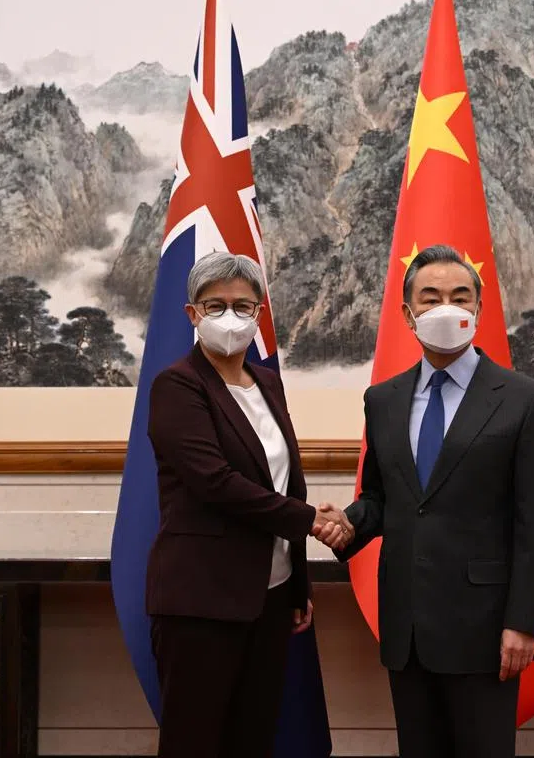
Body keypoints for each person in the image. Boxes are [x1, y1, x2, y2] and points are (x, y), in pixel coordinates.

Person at [328, 244, 534, 758]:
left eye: (460, 296)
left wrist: (523, 623)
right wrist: (346, 524)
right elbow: (383, 496)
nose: (445, 307)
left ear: (478, 309)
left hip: (486, 631)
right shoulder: (383, 399)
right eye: (429, 298)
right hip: (407, 627)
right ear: (407, 313)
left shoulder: (526, 400)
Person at [145, 250, 354, 758]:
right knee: (195, 743)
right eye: (214, 306)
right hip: (202, 601)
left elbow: (285, 482)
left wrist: (297, 583)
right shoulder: (176, 386)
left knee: (254, 738)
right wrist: (312, 522)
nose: (230, 318)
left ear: (259, 314)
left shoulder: (267, 383)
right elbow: (215, 483)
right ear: (192, 314)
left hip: (270, 597)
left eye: (242, 305)